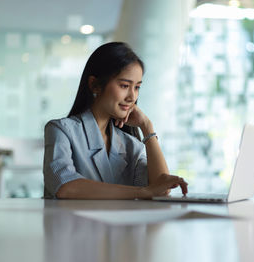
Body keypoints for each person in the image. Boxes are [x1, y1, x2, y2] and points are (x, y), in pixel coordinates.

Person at [43, 42, 188, 199]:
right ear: (95, 85)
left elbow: (162, 188)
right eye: (125, 85)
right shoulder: (61, 130)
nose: (132, 97)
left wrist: (147, 126)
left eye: (137, 87)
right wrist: (141, 192)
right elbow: (65, 187)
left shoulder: (131, 145)